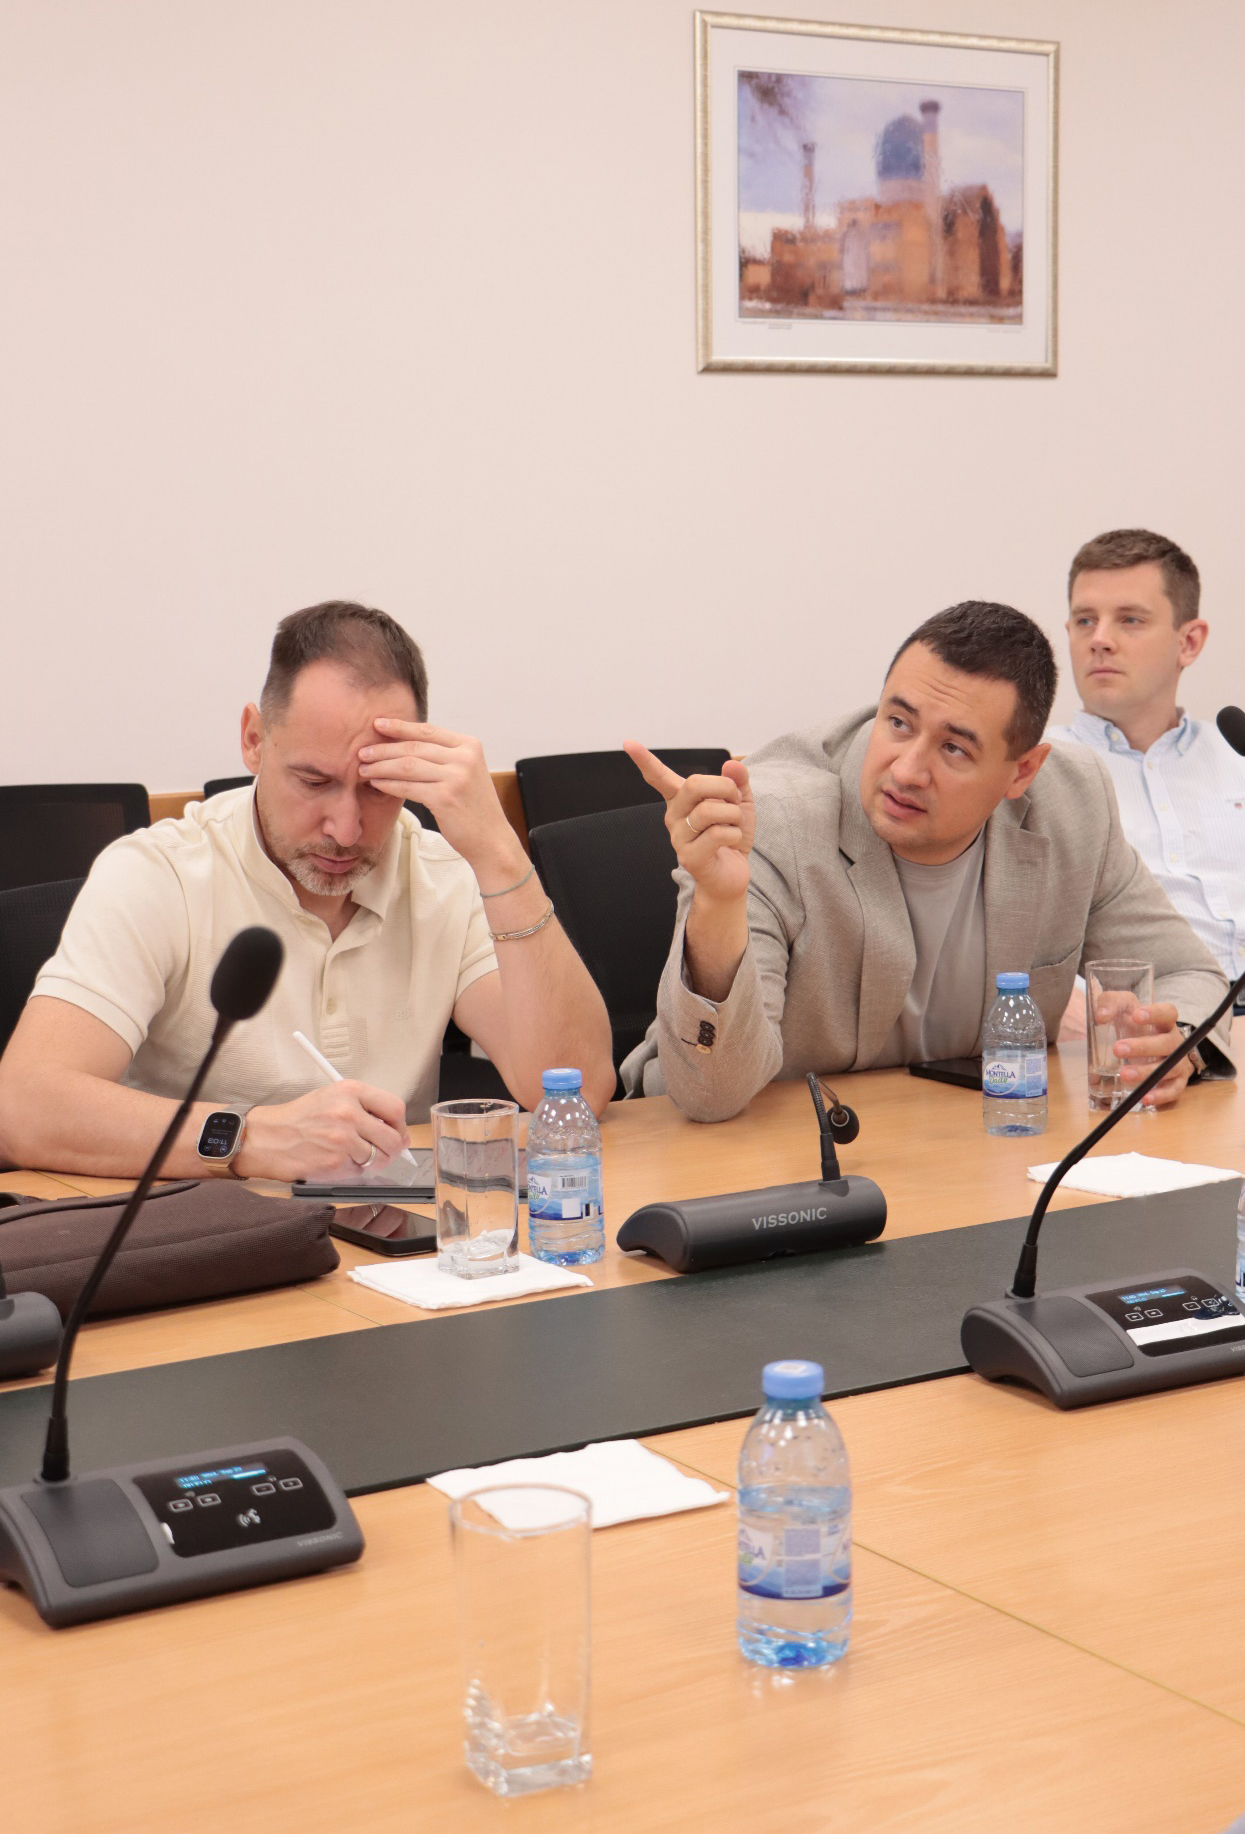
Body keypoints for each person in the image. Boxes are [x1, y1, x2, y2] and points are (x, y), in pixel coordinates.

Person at [0, 601, 614, 1181]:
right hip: (200, 1230)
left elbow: (577, 1092)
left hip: (390, 1232)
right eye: (314, 781)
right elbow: (22, 1106)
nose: (345, 830)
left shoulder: (443, 876)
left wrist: (500, 855)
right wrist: (253, 1138)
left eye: (378, 787)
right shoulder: (160, 874)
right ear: (254, 738)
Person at [622, 601, 1231, 1124]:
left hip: (953, 1141)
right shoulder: (773, 818)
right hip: (753, 1151)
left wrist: (1172, 1042)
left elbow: (1191, 973)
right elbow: (711, 1094)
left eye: (954, 748)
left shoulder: (1073, 806)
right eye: (898, 722)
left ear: (1022, 771)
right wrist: (720, 901)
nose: (908, 770)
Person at [1047, 528, 1245, 999]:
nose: (1100, 640)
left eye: (1130, 620)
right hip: (1150, 1023)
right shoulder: (1038, 772)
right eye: (1085, 621)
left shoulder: (1236, 753)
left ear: (1189, 642)